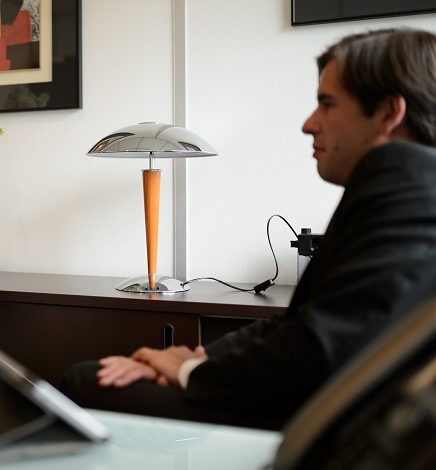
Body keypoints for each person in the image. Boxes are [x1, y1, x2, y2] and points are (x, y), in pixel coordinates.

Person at [60, 28, 436, 429]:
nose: (309, 125)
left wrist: (187, 373)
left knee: (85, 383)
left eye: (326, 104)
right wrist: (197, 358)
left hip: (314, 421)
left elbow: (316, 351)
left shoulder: (409, 191)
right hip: (303, 398)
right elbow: (296, 323)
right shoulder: (396, 184)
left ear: (388, 113)